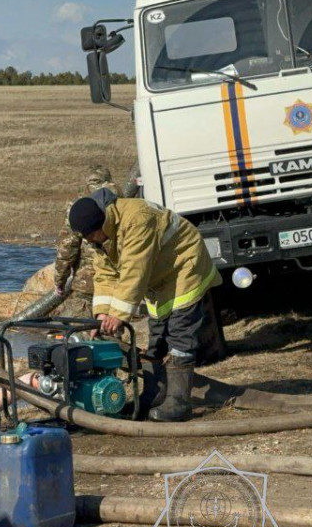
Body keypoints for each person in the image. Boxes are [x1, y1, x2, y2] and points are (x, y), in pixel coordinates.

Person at [68, 188, 221, 422]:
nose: (89, 242)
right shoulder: (102, 235)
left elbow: (134, 270)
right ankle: (154, 394)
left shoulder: (137, 219)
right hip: (160, 278)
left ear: (99, 227)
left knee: (180, 335)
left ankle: (179, 403)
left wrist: (119, 315)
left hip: (184, 268)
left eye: (90, 237)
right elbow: (106, 275)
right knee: (157, 336)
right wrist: (101, 314)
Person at [51, 165, 119, 317]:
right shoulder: (122, 201)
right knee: (112, 327)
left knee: (81, 329)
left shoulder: (80, 207)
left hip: (87, 283)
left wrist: (59, 282)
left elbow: (67, 247)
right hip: (118, 281)